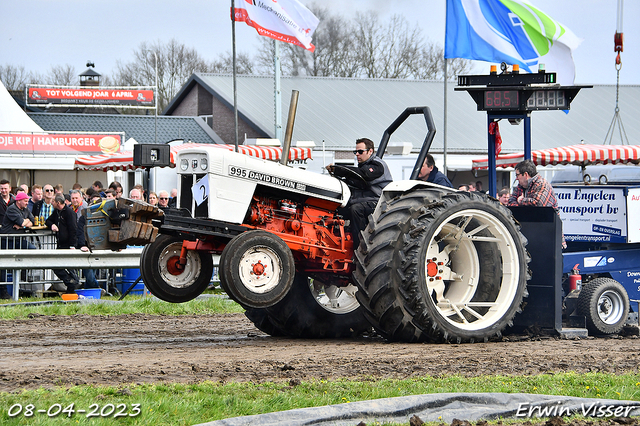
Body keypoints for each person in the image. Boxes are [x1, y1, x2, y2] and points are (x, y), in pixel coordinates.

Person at [326, 137, 392, 250]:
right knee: (336, 207)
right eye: (355, 152)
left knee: (356, 209)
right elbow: (355, 182)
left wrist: (338, 169)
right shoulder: (363, 167)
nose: (357, 154)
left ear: (370, 151)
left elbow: (364, 174)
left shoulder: (377, 165)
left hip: (379, 201)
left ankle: (360, 247)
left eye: (360, 151)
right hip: (366, 199)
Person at [1, 192, 36, 297]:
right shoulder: (11, 209)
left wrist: (23, 226)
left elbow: (32, 221)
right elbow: (21, 221)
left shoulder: (25, 209)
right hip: (7, 240)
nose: (27, 203)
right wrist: (24, 223)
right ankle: (3, 290)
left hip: (19, 239)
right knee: (5, 265)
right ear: (18, 201)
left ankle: (24, 274)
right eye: (25, 201)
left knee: (32, 249)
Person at [45, 193, 79, 293]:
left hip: (68, 245)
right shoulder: (56, 212)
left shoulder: (69, 213)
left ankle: (72, 285)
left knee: (68, 267)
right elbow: (48, 221)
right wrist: (52, 225)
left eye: (53, 201)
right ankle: (70, 283)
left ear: (58, 202)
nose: (51, 203)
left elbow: (73, 229)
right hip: (60, 244)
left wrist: (72, 245)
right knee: (56, 266)